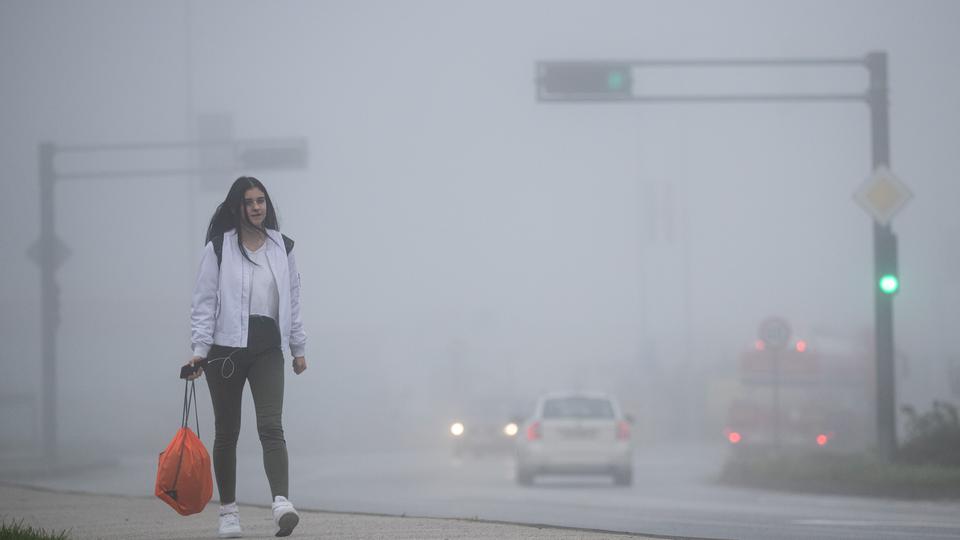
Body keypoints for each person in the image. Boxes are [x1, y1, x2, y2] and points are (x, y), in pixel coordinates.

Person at [185, 176, 307, 538]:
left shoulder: (282, 247)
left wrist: (298, 348)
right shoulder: (219, 249)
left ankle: (282, 503)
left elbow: (294, 300)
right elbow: (203, 304)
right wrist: (198, 352)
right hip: (225, 352)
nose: (257, 207)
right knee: (227, 432)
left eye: (261, 201)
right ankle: (228, 513)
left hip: (268, 348)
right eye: (250, 202)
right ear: (237, 207)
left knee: (272, 426)